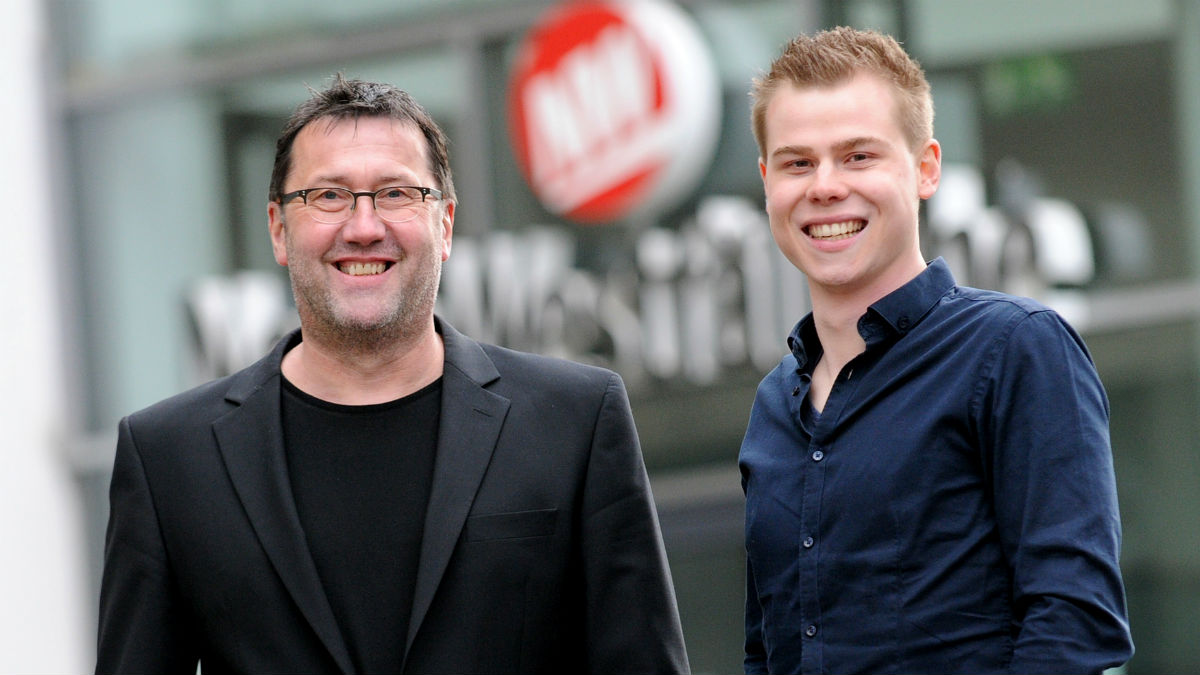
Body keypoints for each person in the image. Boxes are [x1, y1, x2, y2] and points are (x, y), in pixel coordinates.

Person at [95, 74, 690, 675]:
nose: (363, 226)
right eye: (327, 196)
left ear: (446, 224)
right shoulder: (170, 458)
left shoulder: (575, 421)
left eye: (397, 194)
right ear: (278, 228)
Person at [738, 27, 1133, 674]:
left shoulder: (1015, 349)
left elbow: (1074, 625)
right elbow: (768, 651)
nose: (826, 186)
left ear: (925, 168)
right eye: (797, 162)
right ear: (766, 182)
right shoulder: (772, 406)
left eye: (859, 156)